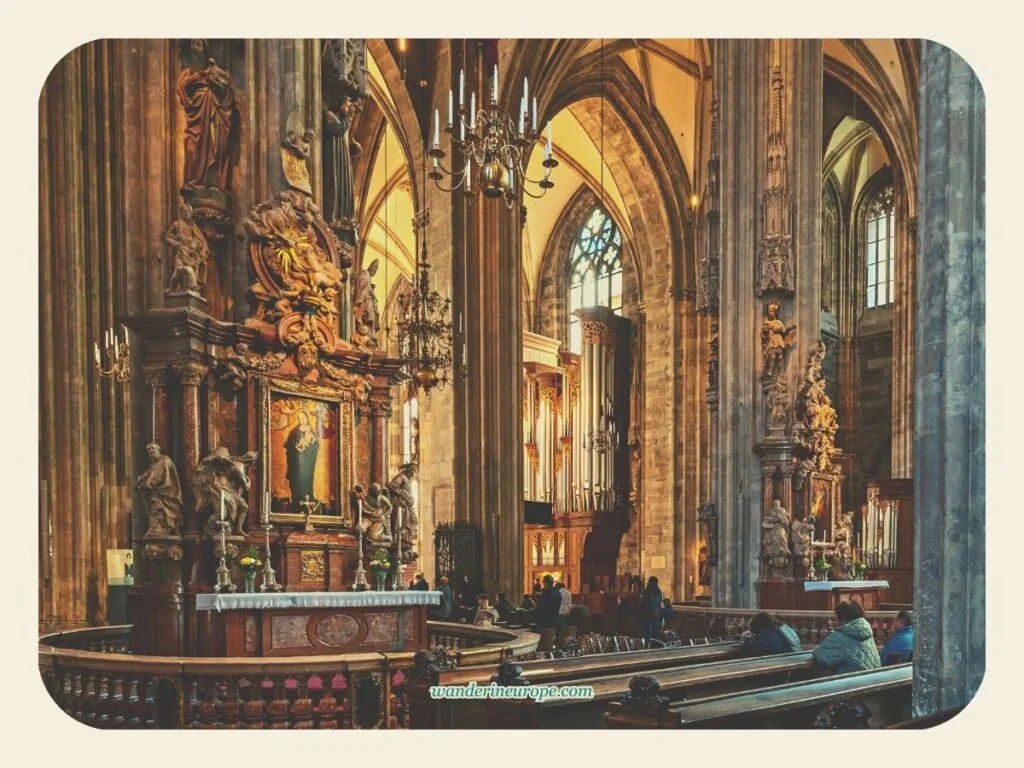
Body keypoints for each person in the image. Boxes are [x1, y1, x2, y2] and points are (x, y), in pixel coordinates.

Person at [812, 601, 881, 674]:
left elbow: (820, 656)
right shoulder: (865, 630)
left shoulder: (839, 636)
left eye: (836, 618)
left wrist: (816, 648)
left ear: (843, 619)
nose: (835, 621)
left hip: (852, 682)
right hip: (873, 678)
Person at [284, 410, 319, 503]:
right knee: (298, 477)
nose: (302, 420)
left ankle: (308, 498)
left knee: (307, 477)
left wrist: (311, 445)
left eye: (303, 417)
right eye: (300, 418)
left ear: (307, 418)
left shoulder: (311, 430)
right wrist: (297, 447)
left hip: (308, 460)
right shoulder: (295, 431)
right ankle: (297, 499)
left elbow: (315, 444)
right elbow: (290, 444)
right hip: (297, 461)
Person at [639, 576, 664, 643]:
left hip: (648, 614)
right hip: (656, 614)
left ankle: (647, 644)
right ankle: (654, 644)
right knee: (654, 631)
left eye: (648, 581)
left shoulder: (648, 591)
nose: (647, 583)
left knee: (647, 632)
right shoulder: (659, 591)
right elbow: (661, 603)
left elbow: (644, 603)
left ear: (650, 582)